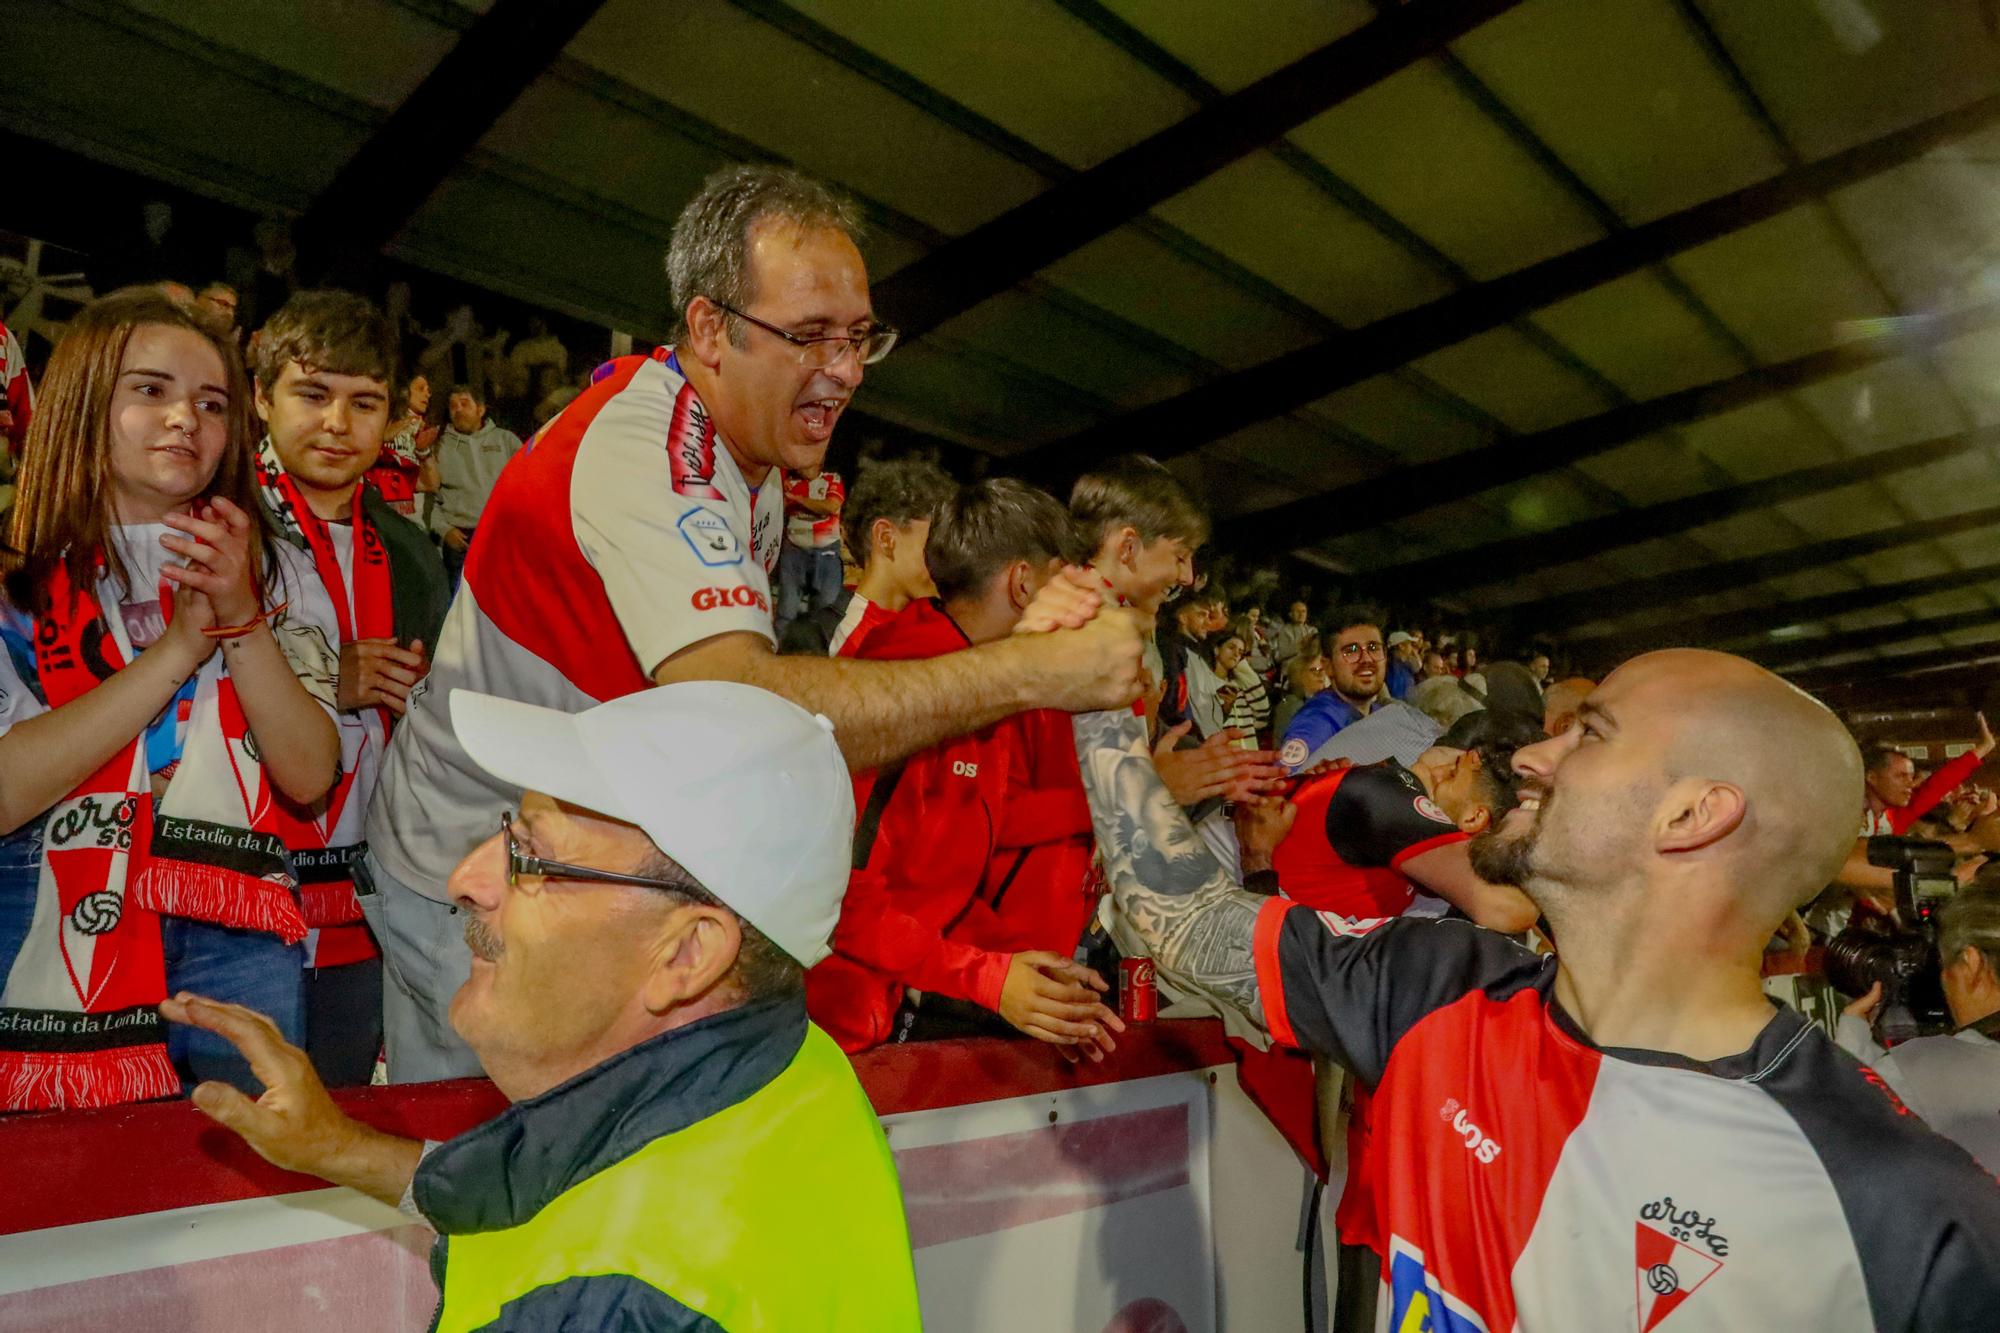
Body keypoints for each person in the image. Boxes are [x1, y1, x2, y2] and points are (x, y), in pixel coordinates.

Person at [363, 164, 1143, 1082]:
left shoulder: (752, 455)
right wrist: (1034, 671)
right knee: (495, 1164)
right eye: (809, 336)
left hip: (573, 863)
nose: (846, 371)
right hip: (469, 866)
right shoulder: (644, 448)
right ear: (709, 328)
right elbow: (738, 702)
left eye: (859, 337)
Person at [1071, 647, 2000, 1329]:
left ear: (1691, 814)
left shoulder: (1905, 1210)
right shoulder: (1431, 989)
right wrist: (1100, 697)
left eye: (1588, 735)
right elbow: (1182, 919)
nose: (1528, 758)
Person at [166, 682, 921, 1331]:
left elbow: (599, 1249)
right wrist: (336, 1148)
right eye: (507, 831)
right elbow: (573, 1193)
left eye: (531, 855)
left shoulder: (608, 1300)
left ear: (688, 953)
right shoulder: (793, 1075)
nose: (467, 878)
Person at [0, 288, 341, 1109]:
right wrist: (179, 651)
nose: (186, 417)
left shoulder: (275, 566)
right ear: (83, 403)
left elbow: (308, 773)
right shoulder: (14, 579)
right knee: (63, 1189)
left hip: (234, 908)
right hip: (46, 896)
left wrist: (243, 622)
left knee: (247, 1175)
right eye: (150, 390)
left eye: (211, 402)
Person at [808, 478, 1118, 1054]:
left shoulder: (985, 689)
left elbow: (937, 889)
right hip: (831, 1031)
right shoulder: (903, 686)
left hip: (891, 1008)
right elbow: (833, 896)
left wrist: (1030, 977)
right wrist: (988, 978)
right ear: (1024, 583)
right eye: (1066, 583)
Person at [249, 290, 450, 1085]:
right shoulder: (224, 524)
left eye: (363, 403)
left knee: (334, 1111)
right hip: (240, 890)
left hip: (367, 898)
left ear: (392, 419)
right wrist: (325, 683)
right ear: (262, 397)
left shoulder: (409, 549)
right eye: (312, 394)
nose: (336, 423)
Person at [1838, 881, 2000, 1171]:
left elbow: (1845, 1133)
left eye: (1943, 964)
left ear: (1972, 963)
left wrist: (1854, 1037)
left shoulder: (1926, 1066)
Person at [814, 456, 954, 657]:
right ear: (886, 538)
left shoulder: (926, 624)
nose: (948, 564)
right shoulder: (836, 635)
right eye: (936, 546)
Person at [428, 383, 522, 587]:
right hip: (461, 539)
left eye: (464, 403)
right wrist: (444, 531)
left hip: (500, 535)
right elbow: (430, 497)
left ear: (480, 409)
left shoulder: (506, 440)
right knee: (461, 605)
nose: (458, 410)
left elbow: (527, 484)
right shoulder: (439, 446)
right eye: (453, 406)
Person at [1279, 604, 1389, 768]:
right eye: (1351, 651)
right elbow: (1284, 783)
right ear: (1328, 666)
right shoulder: (1318, 720)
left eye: (1374, 648)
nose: (1366, 659)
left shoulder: (1382, 715)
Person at [776, 459, 846, 634]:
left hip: (826, 552)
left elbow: (831, 506)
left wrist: (798, 500)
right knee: (787, 608)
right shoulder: (789, 483)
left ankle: (815, 652)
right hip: (794, 551)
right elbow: (779, 508)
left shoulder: (832, 479)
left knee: (824, 607)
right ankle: (780, 650)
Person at [371, 372, 441, 524]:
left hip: (412, 515)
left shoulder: (426, 430)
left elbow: (433, 484)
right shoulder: (381, 422)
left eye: (429, 390)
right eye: (421, 389)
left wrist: (423, 450)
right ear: (404, 391)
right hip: (377, 510)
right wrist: (383, 438)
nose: (428, 394)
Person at [1271, 599, 1313, 668]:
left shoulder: (1313, 630)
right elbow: (1282, 654)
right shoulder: (1284, 631)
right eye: (1298, 611)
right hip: (1292, 666)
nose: (1301, 614)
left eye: (1303, 611)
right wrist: (1301, 645)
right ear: (1290, 614)